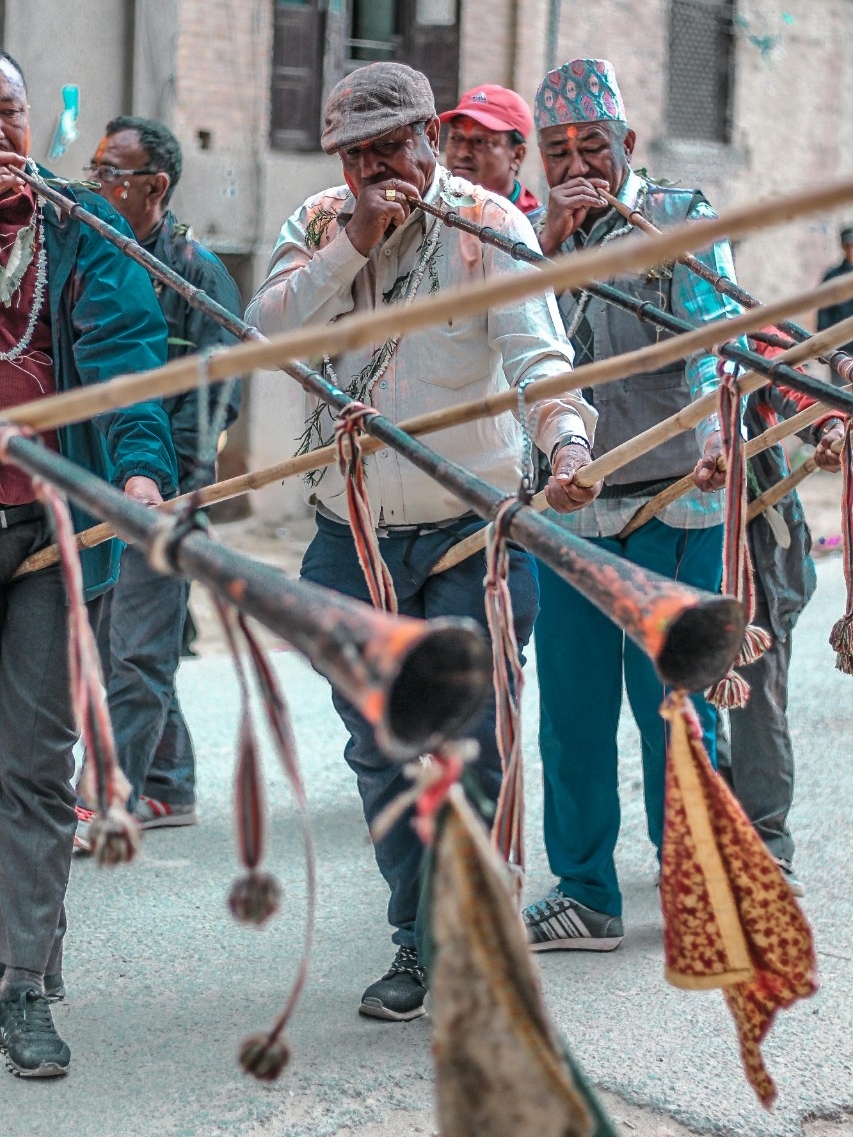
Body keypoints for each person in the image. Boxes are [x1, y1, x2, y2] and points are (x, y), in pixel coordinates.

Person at [247, 61, 598, 1021]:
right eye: (355, 156)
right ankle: (418, 934)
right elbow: (264, 331)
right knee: (382, 747)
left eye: (390, 148)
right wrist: (352, 243)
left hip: (468, 535)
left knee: (473, 748)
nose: (375, 170)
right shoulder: (321, 220)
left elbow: (540, 361)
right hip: (348, 535)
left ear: (429, 142)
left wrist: (565, 442)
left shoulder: (490, 226)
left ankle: (464, 936)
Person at [522, 58, 740, 953]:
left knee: (678, 705)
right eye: (558, 151)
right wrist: (551, 247)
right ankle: (586, 892)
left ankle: (698, 882)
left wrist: (715, 433)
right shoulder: (526, 239)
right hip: (570, 507)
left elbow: (712, 342)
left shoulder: (681, 216)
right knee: (570, 714)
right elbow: (521, 344)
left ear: (627, 144)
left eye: (592, 148)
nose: (578, 165)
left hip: (676, 500)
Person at [0, 52, 178, 1077]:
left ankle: (26, 982)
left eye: (10, 113)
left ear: (33, 122)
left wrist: (143, 480)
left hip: (45, 540)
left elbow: (123, 362)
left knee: (31, 767)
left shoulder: (77, 229)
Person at [82, 116, 242, 833]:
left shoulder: (197, 272)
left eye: (112, 174)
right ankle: (169, 784)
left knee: (138, 649)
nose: (98, 186)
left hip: (166, 492)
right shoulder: (92, 255)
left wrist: (171, 485)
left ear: (156, 187)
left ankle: (108, 798)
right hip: (101, 484)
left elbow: (218, 396)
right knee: (123, 640)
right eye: (95, 171)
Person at [716, 343, 845, 899]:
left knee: (755, 689)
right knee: (677, 695)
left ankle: (767, 843)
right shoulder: (587, 310)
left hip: (754, 536)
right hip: (660, 528)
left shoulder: (731, 318)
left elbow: (789, 382)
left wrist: (829, 426)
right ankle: (713, 825)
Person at [439, 84, 544, 220]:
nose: (462, 153)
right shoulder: (429, 207)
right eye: (456, 138)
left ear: (518, 155)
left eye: (481, 141)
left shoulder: (536, 228)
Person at [817, 225, 853, 355]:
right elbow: (823, 309)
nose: (851, 249)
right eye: (848, 245)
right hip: (840, 345)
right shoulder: (832, 275)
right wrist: (825, 340)